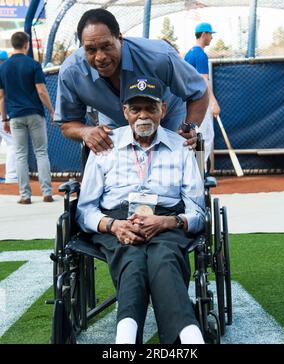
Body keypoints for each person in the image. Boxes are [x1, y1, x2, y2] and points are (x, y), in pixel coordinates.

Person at [76, 77, 206, 344]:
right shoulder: (105, 145)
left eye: (150, 108)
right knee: (132, 259)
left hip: (166, 219)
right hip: (115, 221)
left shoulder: (181, 147)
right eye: (136, 109)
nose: (143, 115)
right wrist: (113, 226)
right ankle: (125, 342)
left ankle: (191, 340)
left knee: (165, 258)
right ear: (125, 111)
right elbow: (85, 209)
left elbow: (197, 211)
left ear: (163, 110)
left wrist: (169, 222)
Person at [55, 8, 209, 155]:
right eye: (91, 50)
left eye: (106, 46)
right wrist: (85, 132)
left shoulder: (158, 56)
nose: (100, 57)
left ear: (119, 39)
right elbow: (67, 123)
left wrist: (189, 127)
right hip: (116, 124)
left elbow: (199, 92)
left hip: (167, 120)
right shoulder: (71, 72)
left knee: (169, 170)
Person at [0, 32, 54, 204]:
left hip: (15, 116)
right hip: (35, 114)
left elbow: (2, 96)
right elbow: (41, 91)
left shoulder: (3, 67)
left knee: (21, 154)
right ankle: (47, 192)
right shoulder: (33, 64)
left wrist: (4, 119)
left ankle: (25, 195)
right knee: (41, 152)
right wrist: (52, 111)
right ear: (26, 44)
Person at [184, 22, 221, 166]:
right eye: (211, 34)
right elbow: (204, 82)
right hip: (200, 102)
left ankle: (197, 169)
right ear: (204, 34)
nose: (212, 37)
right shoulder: (200, 55)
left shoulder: (189, 54)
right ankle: (200, 171)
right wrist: (213, 102)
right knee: (205, 135)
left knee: (196, 135)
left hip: (189, 102)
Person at [0, 50, 17, 184]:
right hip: (2, 114)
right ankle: (11, 176)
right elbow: (2, 97)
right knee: (12, 143)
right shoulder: (4, 72)